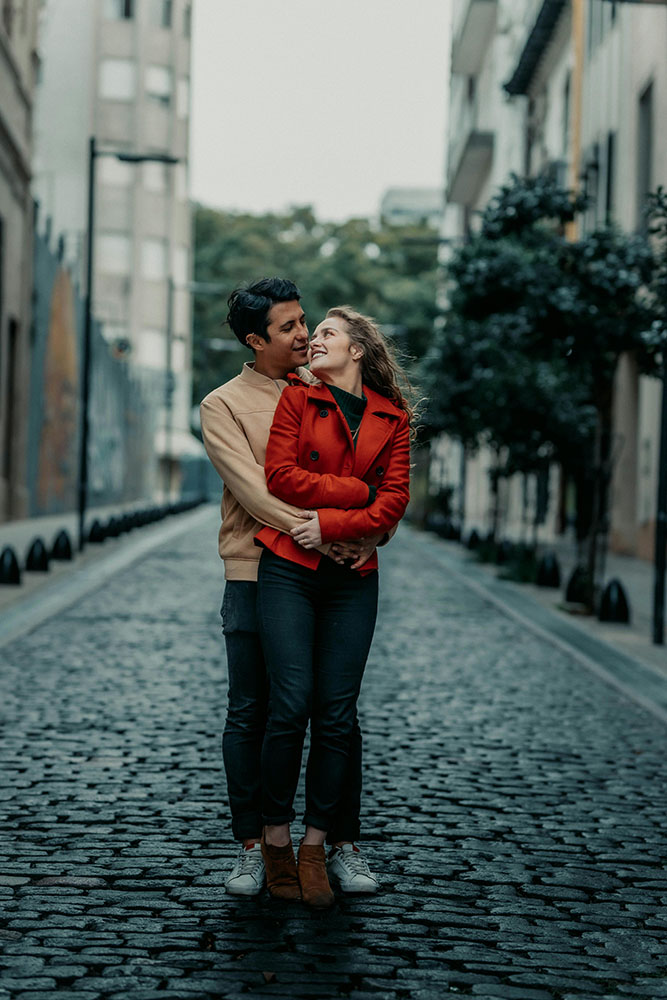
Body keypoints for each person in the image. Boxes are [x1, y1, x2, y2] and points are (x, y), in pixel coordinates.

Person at [200, 280, 385, 898]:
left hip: (334, 575)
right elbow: (255, 493)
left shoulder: (328, 386)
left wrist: (361, 532)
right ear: (256, 341)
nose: (304, 334)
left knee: (337, 713)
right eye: (288, 327)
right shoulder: (223, 405)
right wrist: (323, 535)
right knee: (254, 710)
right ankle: (254, 846)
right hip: (256, 570)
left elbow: (373, 474)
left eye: (305, 321)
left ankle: (342, 842)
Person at [256, 306, 413, 908]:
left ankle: (316, 845)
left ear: (357, 349)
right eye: (313, 332)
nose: (313, 340)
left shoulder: (392, 417)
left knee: (337, 714)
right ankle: (275, 841)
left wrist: (330, 526)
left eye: (326, 333)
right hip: (289, 571)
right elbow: (281, 476)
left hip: (352, 577)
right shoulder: (298, 399)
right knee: (290, 703)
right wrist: (354, 498)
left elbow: (394, 502)